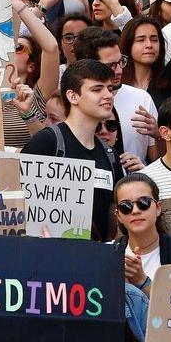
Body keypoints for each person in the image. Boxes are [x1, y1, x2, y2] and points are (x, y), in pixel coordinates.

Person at [21, 60, 125, 242]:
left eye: (109, 88)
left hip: (96, 260)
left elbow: (113, 213)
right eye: (97, 89)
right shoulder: (47, 142)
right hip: (50, 259)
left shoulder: (110, 155)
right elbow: (15, 202)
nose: (107, 95)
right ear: (73, 96)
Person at [114, 172, 171, 295]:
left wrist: (142, 281)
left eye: (144, 203)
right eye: (126, 206)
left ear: (158, 208)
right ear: (118, 216)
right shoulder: (110, 251)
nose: (135, 211)